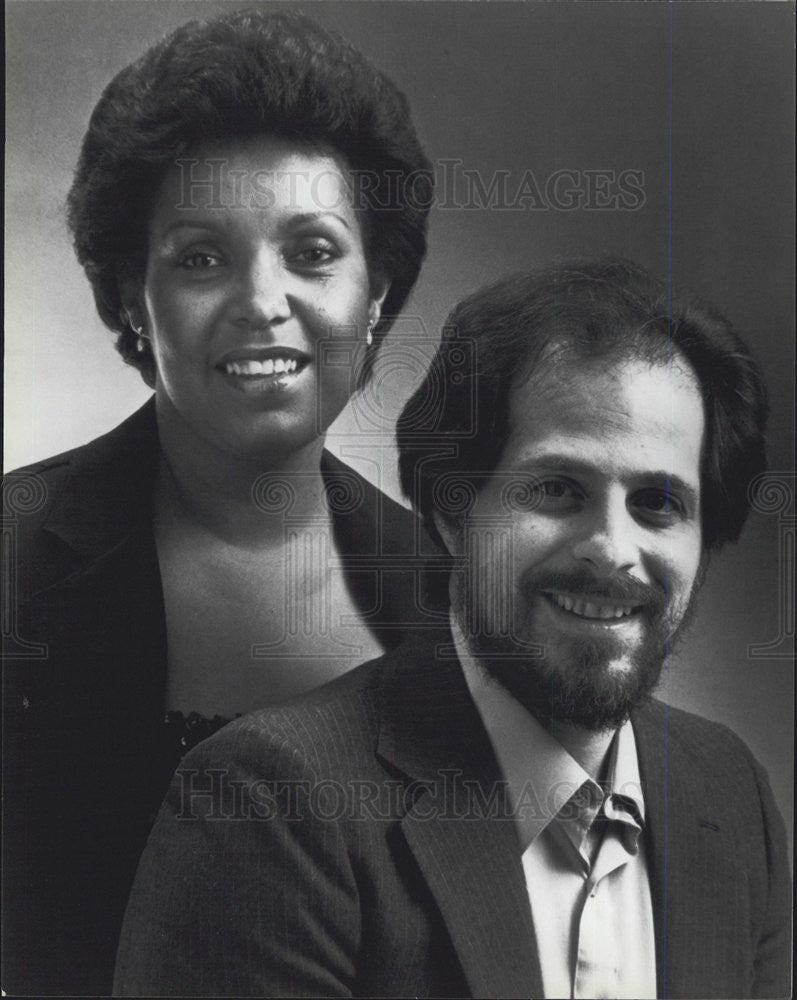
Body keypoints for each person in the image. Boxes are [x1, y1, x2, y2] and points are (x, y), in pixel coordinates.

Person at [114, 259, 790, 999]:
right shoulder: (268, 805)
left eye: (658, 503)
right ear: (449, 510)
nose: (612, 551)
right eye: (557, 489)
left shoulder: (726, 791)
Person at [2, 9, 435, 995]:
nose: (261, 298)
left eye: (312, 252)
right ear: (128, 300)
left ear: (375, 295)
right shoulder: (11, 563)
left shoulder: (448, 593)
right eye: (201, 258)